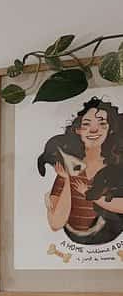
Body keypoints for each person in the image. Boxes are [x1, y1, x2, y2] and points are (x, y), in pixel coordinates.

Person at [45, 97, 123, 245]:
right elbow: (56, 223)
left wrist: (92, 196)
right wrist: (67, 181)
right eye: (86, 124)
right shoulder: (68, 167)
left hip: (108, 236)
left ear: (111, 130)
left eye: (102, 124)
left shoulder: (116, 167)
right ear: (78, 130)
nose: (94, 130)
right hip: (75, 238)